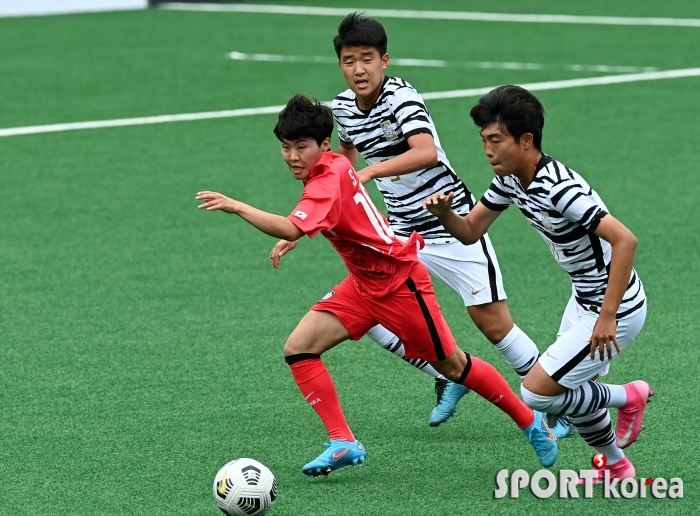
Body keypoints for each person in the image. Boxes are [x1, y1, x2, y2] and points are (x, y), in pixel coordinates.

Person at [197, 94, 557, 477]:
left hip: (401, 286)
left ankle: (532, 424)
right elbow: (322, 214)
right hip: (363, 285)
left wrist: (239, 207)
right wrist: (299, 232)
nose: (292, 156)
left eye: (302, 147)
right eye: (286, 148)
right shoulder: (332, 165)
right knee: (300, 348)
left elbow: (295, 221)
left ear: (323, 145)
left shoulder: (328, 177)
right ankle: (343, 442)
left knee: (453, 365)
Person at [271, 13, 566, 433]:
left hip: (450, 222)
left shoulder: (401, 98)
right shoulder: (342, 109)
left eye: (368, 58)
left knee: (493, 322)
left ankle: (557, 405)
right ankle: (447, 377)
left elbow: (425, 152)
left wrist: (372, 173)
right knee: (368, 314)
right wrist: (303, 227)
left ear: (385, 60)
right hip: (400, 232)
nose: (359, 69)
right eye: (350, 60)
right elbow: (340, 169)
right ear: (340, 65)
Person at [424, 85, 651, 481]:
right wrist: (445, 213)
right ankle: (616, 466)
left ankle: (631, 395)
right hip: (583, 298)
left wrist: (607, 317)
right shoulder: (512, 180)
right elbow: (470, 232)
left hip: (616, 306)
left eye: (496, 140)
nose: (488, 150)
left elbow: (625, 240)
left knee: (537, 392)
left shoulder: (560, 188)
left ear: (526, 140)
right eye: (484, 141)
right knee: (571, 391)